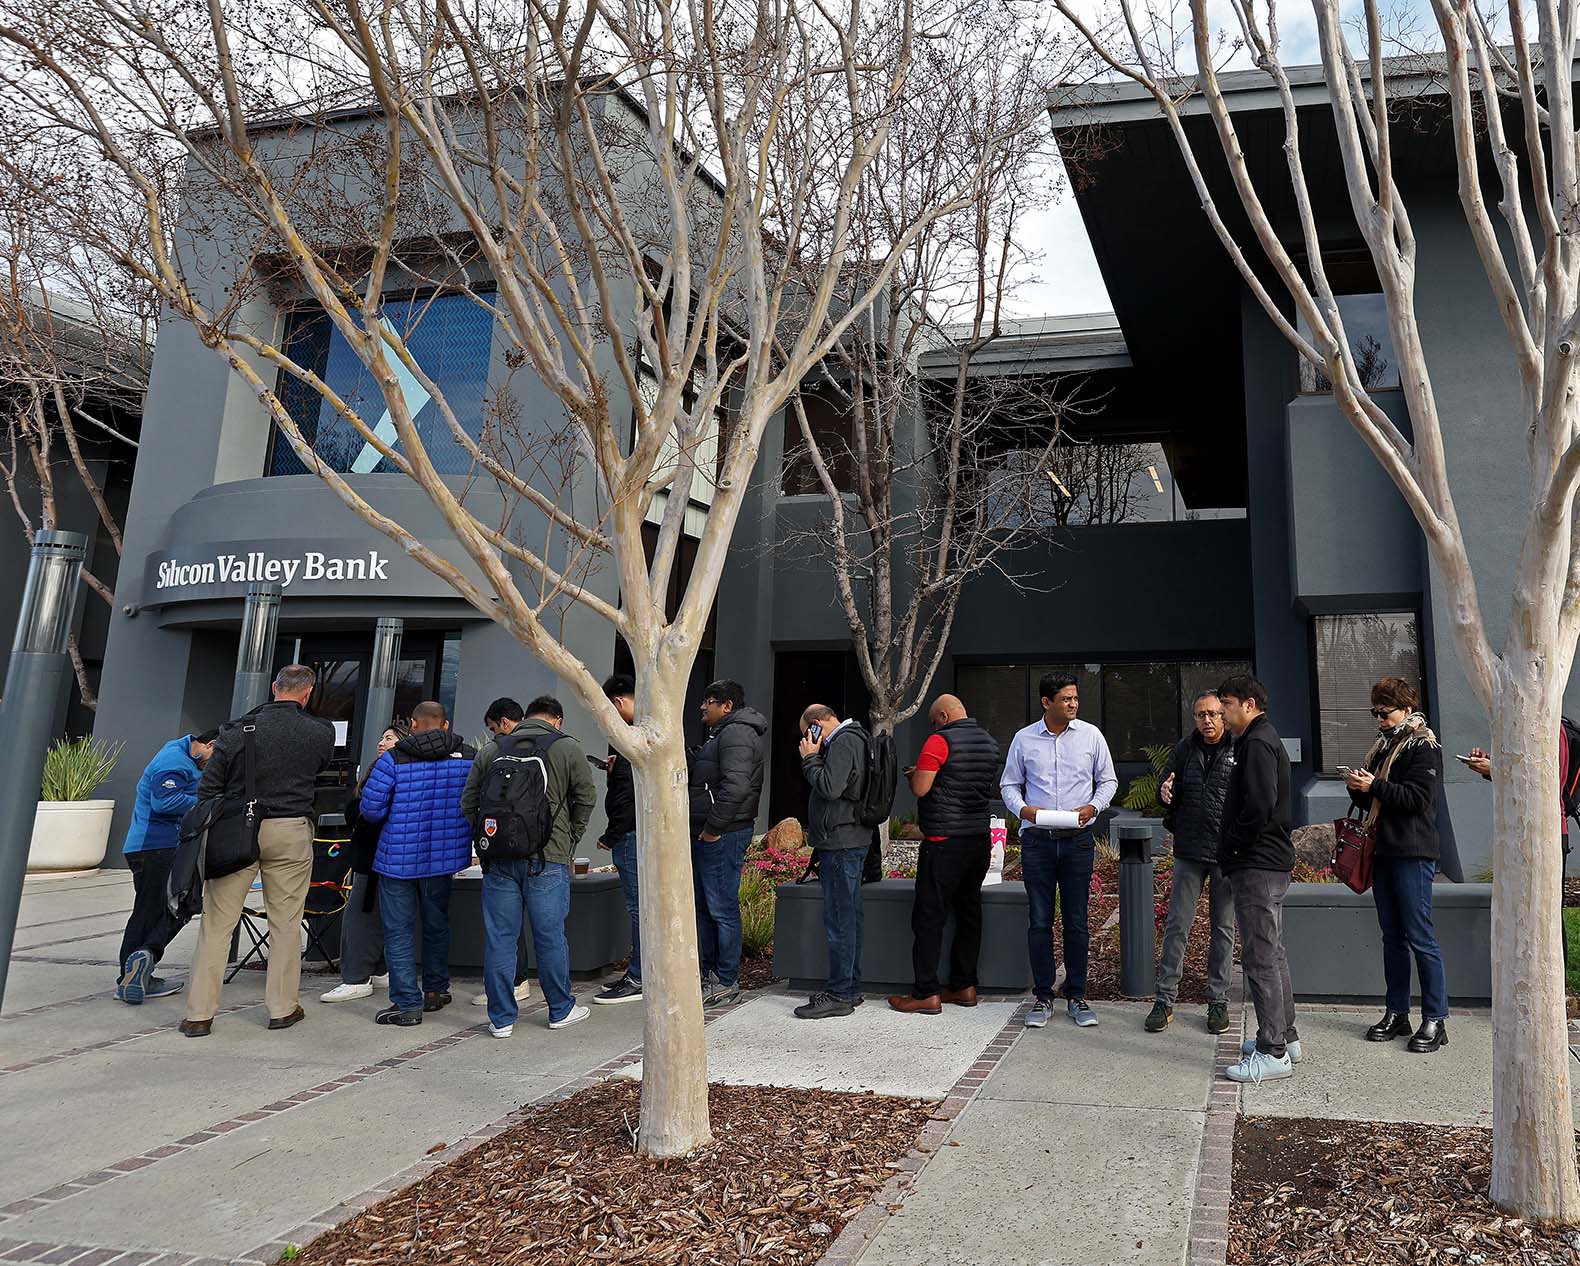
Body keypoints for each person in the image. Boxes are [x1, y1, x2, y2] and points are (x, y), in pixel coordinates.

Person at [180, 665, 335, 1037]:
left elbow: (208, 788)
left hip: (236, 829)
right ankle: (282, 1007)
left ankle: (200, 1013)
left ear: (274, 688)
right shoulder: (320, 732)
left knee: (218, 923)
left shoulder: (236, 732)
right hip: (291, 827)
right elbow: (321, 769)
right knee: (285, 921)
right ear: (308, 691)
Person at [464, 695, 597, 1035]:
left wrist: (490, 840)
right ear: (558, 719)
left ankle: (502, 1019)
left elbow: (469, 802)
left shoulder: (492, 750)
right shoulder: (566, 748)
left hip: (498, 860)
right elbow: (586, 797)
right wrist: (568, 840)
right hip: (547, 858)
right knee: (550, 937)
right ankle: (560, 1010)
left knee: (500, 939)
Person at [999, 672, 1117, 1031]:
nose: (1073, 704)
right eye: (1066, 699)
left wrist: (1093, 808)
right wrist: (1023, 811)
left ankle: (1077, 995)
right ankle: (1043, 996)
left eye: (1076, 699)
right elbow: (1009, 784)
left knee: (1077, 920)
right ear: (1046, 702)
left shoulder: (1091, 736)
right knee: (1039, 920)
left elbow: (1108, 780)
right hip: (1037, 841)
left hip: (1077, 841)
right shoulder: (1024, 739)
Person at [1346, 677, 1449, 1053]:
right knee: (1392, 937)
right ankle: (1397, 1011)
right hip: (1384, 850)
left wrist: (1373, 786)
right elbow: (1374, 800)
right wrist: (1356, 787)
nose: (1379, 719)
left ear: (1406, 709)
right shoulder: (1382, 746)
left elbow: (1418, 799)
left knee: (1421, 936)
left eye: (1384, 712)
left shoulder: (1423, 745)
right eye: (1374, 712)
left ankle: (1436, 1018)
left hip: (1413, 851)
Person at [362, 700, 475, 1027]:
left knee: (398, 931)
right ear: (445, 724)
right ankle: (436, 990)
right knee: (436, 924)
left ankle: (407, 1003)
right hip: (443, 859)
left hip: (397, 859)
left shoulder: (394, 758)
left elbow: (371, 809)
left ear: (412, 724)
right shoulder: (468, 757)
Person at [889, 694, 1001, 1015]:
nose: (933, 725)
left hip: (943, 841)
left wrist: (914, 775)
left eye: (933, 720)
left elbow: (922, 788)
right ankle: (963, 986)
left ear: (943, 716)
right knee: (969, 914)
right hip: (978, 840)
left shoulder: (938, 741)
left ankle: (925, 992)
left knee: (929, 917)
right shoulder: (990, 743)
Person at [1217, 674, 1298, 1083]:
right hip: (1267, 862)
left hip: (1257, 864)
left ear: (1248, 704)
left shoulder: (1257, 743)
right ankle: (1286, 1036)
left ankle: (1273, 1051)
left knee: (1260, 956)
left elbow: (1259, 806)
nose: (1222, 712)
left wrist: (1232, 846)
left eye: (1227, 703)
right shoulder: (1261, 739)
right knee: (1273, 952)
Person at [1147, 691, 1237, 1035]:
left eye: (1213, 714)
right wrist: (1164, 792)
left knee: (1223, 929)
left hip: (1225, 852)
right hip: (1189, 850)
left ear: (1224, 716)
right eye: (1201, 715)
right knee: (1177, 925)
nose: (1207, 720)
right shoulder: (1184, 749)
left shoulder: (1239, 748)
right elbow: (1165, 789)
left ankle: (1218, 1001)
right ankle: (1165, 1000)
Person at [117, 728, 220, 1004]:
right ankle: (137, 966)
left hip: (158, 847)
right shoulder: (173, 759)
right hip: (155, 846)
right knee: (156, 910)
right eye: (216, 756)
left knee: (167, 908)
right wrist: (210, 802)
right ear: (209, 744)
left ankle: (139, 966)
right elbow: (164, 802)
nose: (214, 765)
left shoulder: (183, 757)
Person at [688, 679, 768, 1007]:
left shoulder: (736, 733)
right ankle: (710, 975)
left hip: (724, 833)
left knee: (720, 907)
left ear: (727, 706)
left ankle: (725, 979)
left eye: (709, 701)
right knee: (707, 907)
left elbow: (735, 787)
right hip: (715, 831)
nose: (702, 706)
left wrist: (713, 829)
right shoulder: (724, 734)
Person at [795, 703, 873, 1020]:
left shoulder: (843, 741)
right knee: (848, 916)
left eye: (808, 733)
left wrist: (810, 758)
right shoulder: (858, 737)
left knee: (840, 920)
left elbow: (830, 786)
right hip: (849, 839)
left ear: (816, 724)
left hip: (842, 842)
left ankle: (841, 992)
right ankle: (849, 988)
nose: (809, 739)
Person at [319, 723, 406, 1003]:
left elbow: (363, 811)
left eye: (389, 739)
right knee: (377, 915)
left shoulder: (388, 772)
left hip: (374, 856)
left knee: (360, 916)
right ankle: (378, 969)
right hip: (385, 857)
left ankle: (356, 976)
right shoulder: (383, 769)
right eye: (382, 738)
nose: (382, 743)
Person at [467, 698, 534, 1011]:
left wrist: (481, 838)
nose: (494, 735)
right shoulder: (545, 748)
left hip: (497, 850)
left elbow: (469, 801)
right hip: (538, 851)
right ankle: (555, 999)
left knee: (501, 928)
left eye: (494, 729)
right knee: (547, 929)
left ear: (504, 723)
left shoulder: (491, 752)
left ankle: (507, 991)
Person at [593, 675, 642, 1005]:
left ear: (619, 702)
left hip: (629, 835)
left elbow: (627, 798)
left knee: (638, 907)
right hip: (641, 832)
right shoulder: (649, 730)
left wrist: (610, 836)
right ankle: (640, 973)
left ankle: (639, 975)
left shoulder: (630, 737)